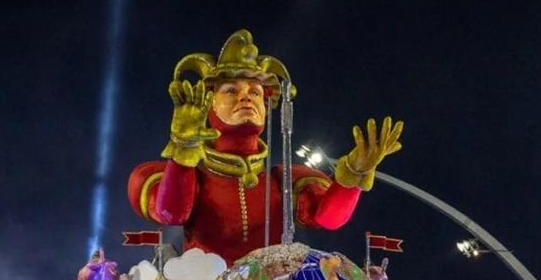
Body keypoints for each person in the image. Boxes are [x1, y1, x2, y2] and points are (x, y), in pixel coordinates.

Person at [127, 29, 404, 266]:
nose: (246, 97)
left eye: (255, 92)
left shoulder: (283, 181)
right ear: (208, 104)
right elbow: (170, 212)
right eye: (231, 91)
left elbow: (329, 218)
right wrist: (184, 149)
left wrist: (354, 174)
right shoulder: (192, 176)